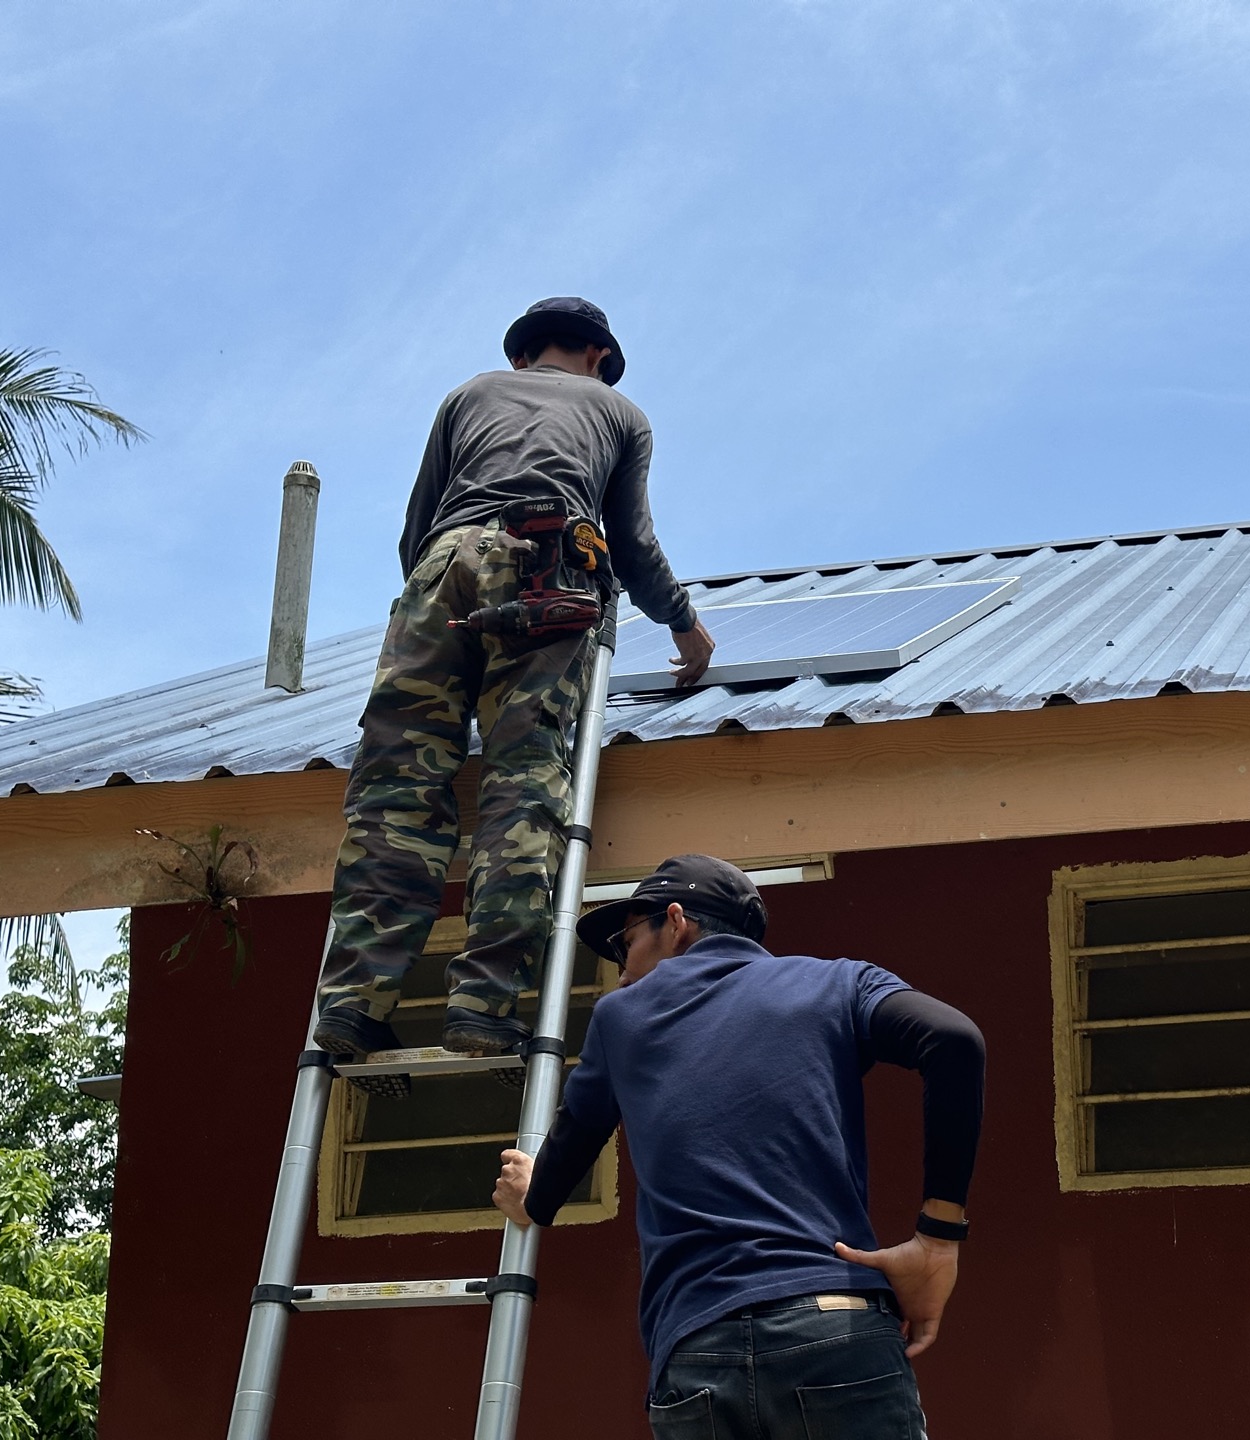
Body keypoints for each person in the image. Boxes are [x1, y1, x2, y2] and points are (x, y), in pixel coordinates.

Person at [313, 299, 715, 1066]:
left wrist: (442, 616)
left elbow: (417, 529)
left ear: (523, 355)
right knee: (524, 781)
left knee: (396, 787)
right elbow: (631, 544)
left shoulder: (468, 394)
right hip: (549, 569)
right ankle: (482, 1003)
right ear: (600, 357)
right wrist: (683, 622)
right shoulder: (620, 412)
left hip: (440, 570)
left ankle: (353, 1005)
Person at [493, 854, 985, 1439]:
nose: (621, 973)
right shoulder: (838, 982)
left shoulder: (620, 1016)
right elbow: (953, 1040)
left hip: (699, 1347)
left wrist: (532, 1194)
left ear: (676, 923)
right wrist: (937, 1239)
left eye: (625, 944)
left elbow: (565, 1157)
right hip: (835, 1322)